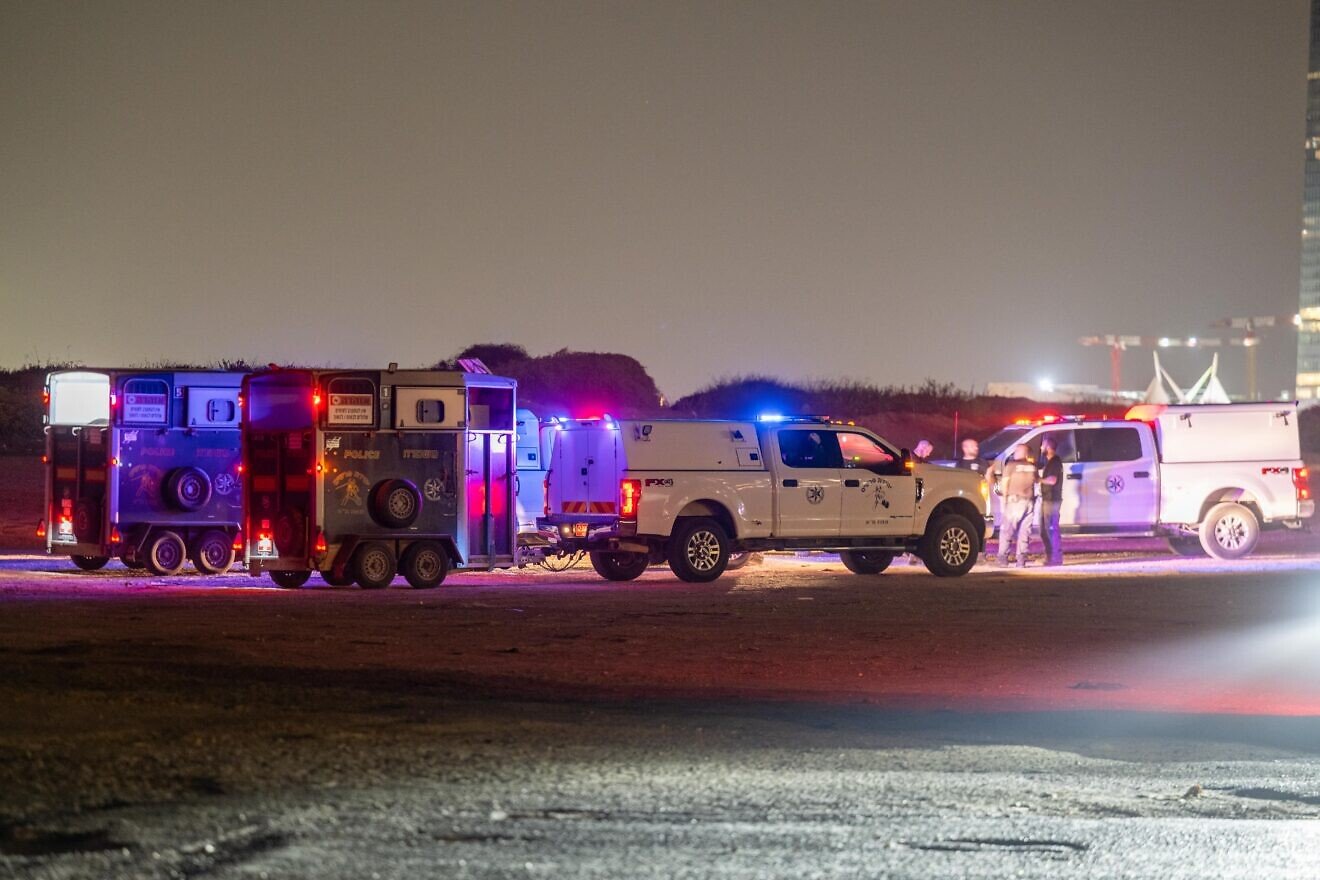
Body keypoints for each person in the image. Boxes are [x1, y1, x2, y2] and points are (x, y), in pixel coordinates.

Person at [988, 443, 1037, 567]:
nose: (1015, 453)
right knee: (1024, 532)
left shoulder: (1011, 466)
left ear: (1024, 452)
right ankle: (1021, 560)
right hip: (1029, 502)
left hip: (1014, 502)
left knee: (1007, 531)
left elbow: (1005, 483)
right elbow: (1037, 481)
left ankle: (1003, 559)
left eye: (1017, 451)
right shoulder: (1032, 466)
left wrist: (1004, 501)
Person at [1038, 436, 1064, 566]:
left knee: (1051, 529)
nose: (1041, 448)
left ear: (1048, 447)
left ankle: (1056, 558)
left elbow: (1052, 480)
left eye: (1042, 446)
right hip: (1047, 499)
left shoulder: (1054, 462)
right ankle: (1051, 557)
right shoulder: (1050, 462)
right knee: (1044, 530)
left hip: (1052, 500)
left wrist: (1039, 480)